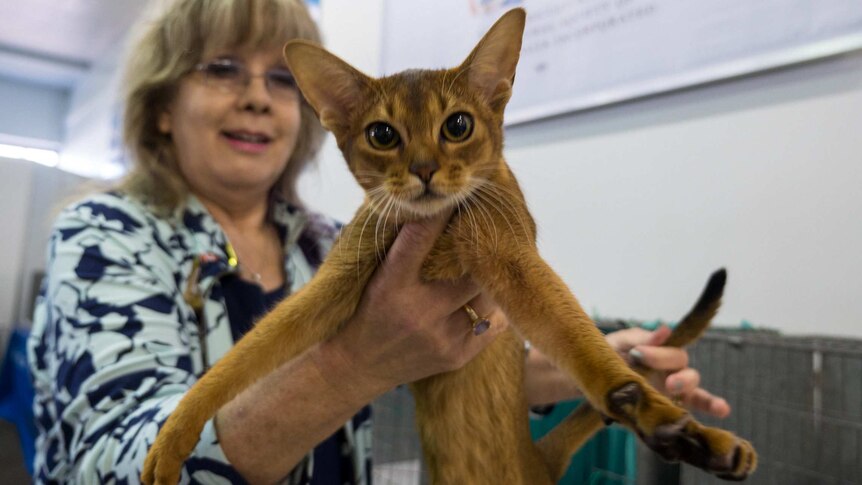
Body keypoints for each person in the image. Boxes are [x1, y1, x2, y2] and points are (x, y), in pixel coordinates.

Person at [26, 0, 730, 483]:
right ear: (157, 110)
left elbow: (443, 351)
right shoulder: (102, 238)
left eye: (279, 78)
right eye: (221, 69)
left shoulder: (323, 240)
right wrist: (352, 363)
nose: (259, 97)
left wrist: (597, 368)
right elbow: (114, 465)